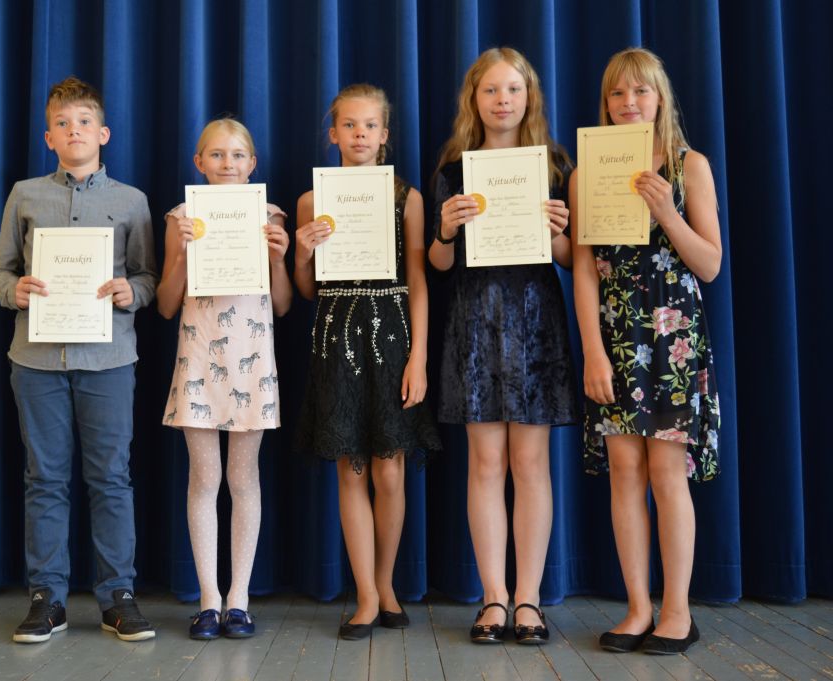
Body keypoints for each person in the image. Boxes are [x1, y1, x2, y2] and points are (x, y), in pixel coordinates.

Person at [0, 76, 158, 643]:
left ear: (103, 133)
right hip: (36, 360)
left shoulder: (131, 201)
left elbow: (147, 276)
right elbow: (1, 270)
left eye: (84, 122)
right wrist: (12, 290)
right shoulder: (25, 194)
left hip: (109, 360)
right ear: (49, 137)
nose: (74, 130)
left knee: (111, 478)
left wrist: (132, 292)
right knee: (45, 479)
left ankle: (118, 597)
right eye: (62, 124)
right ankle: (47, 599)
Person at [571, 47, 722, 655]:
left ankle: (677, 611)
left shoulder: (689, 166)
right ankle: (637, 607)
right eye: (617, 92)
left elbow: (709, 264)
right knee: (625, 474)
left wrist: (666, 212)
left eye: (640, 91)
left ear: (660, 98)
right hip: (616, 340)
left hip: (673, 340)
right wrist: (593, 351)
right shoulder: (588, 172)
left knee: (666, 474)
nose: (628, 102)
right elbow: (585, 270)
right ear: (605, 103)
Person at [429, 47, 578, 645]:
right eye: (491, 90)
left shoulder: (555, 168)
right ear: (474, 98)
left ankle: (529, 600)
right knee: (485, 464)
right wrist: (445, 230)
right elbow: (439, 263)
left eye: (513, 89)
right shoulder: (453, 171)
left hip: (537, 323)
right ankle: (493, 597)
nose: (502, 100)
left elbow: (571, 259)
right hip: (475, 324)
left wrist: (559, 232)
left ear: (529, 97)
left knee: (531, 465)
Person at [294, 83, 440, 641]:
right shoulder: (312, 200)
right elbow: (307, 290)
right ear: (333, 134)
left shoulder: (407, 197)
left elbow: (419, 279)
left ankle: (386, 584)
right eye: (349, 125)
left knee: (390, 470)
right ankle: (365, 595)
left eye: (369, 125)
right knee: (351, 468)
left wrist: (419, 357)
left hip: (393, 338)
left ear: (384, 135)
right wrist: (303, 253)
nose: (359, 134)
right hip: (336, 339)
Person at [157, 118, 292, 640]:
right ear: (199, 163)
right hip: (199, 359)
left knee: (243, 479)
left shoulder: (269, 215)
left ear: (252, 164)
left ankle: (240, 599)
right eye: (216, 154)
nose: (227, 163)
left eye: (237, 155)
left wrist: (278, 259)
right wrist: (184, 253)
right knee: (204, 479)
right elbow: (166, 304)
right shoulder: (182, 217)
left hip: (251, 362)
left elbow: (282, 304)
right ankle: (208, 600)